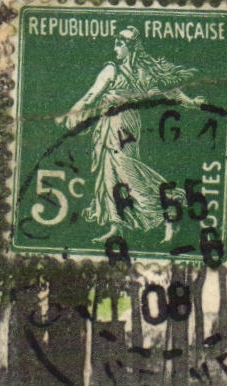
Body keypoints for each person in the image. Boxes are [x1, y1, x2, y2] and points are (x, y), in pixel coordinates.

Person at [57, 27, 203, 242]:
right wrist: (188, 101)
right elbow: (92, 95)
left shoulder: (115, 70)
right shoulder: (137, 72)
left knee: (126, 172)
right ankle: (117, 227)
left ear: (130, 47)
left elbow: (91, 95)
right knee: (110, 175)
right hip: (114, 124)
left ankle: (169, 207)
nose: (115, 48)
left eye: (119, 44)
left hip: (122, 125)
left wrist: (73, 113)